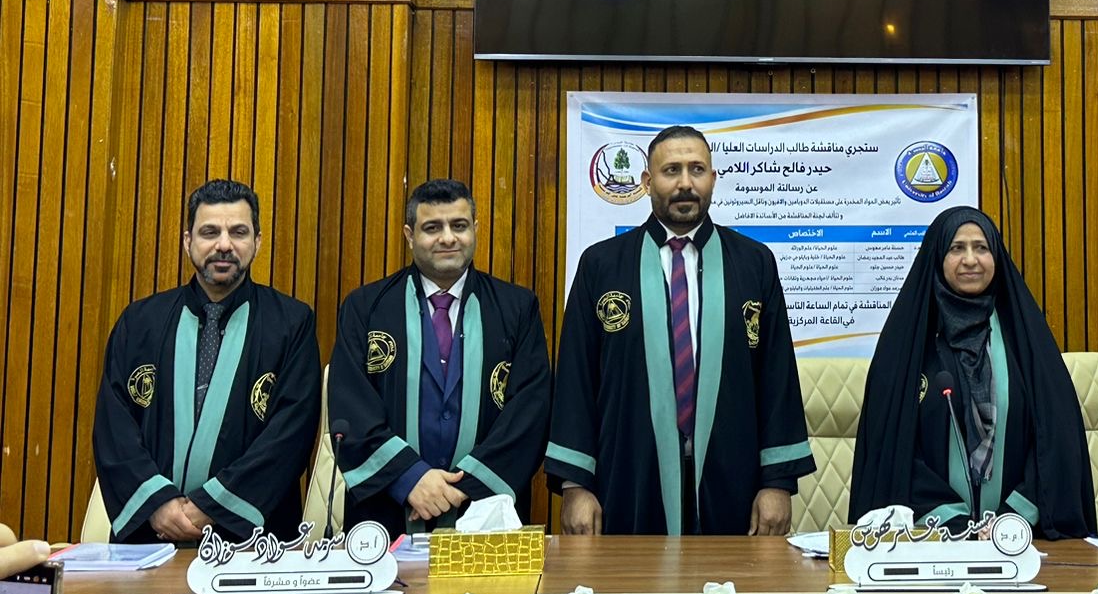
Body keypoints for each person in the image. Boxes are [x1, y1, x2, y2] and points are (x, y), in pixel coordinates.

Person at [548, 125, 815, 535]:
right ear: (647, 181)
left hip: (735, 479)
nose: (685, 183)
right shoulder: (601, 265)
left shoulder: (754, 263)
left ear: (713, 179)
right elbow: (577, 381)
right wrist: (575, 486)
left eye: (697, 169)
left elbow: (776, 378)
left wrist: (777, 483)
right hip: (628, 477)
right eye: (671, 170)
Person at [92, 179, 320, 543]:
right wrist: (158, 505)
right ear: (188, 242)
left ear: (257, 242)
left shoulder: (291, 324)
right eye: (209, 232)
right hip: (152, 538)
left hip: (249, 543)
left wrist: (212, 507)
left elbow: (290, 433)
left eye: (239, 232)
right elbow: (114, 428)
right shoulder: (139, 323)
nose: (224, 245)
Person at [849, 205, 1097, 537]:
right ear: (938, 257)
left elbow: (1055, 441)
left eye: (981, 248)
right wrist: (954, 521)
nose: (970, 260)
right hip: (928, 537)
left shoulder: (1025, 341)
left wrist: (1011, 518)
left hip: (1019, 538)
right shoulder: (907, 345)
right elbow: (893, 450)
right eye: (957, 248)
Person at [330, 178, 552, 535]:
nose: (448, 238)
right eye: (432, 228)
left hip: (483, 515)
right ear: (409, 235)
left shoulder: (517, 309)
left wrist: (464, 486)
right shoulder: (366, 308)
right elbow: (350, 407)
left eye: (459, 226)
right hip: (387, 513)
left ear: (475, 229)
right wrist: (409, 478)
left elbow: (530, 409)